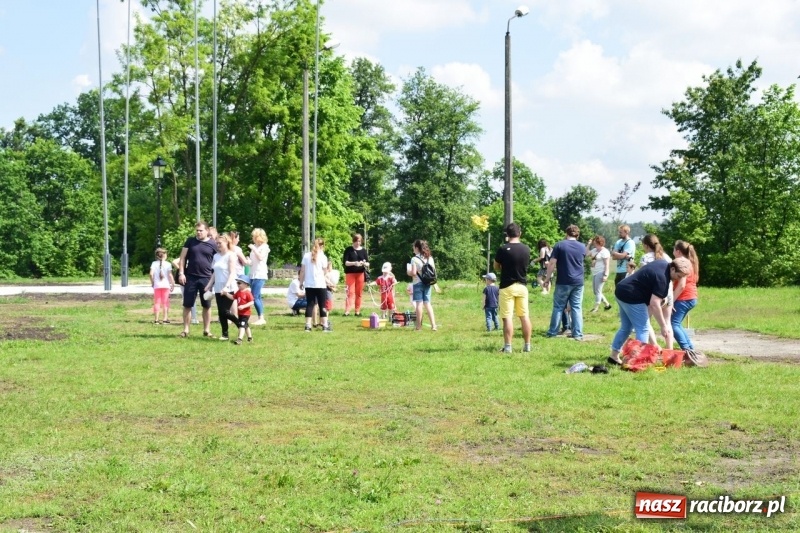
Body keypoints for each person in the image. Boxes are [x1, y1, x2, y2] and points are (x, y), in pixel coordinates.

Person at [607, 257, 693, 365]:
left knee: (626, 327)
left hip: (621, 290)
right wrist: (663, 326)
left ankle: (614, 356)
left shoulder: (663, 263)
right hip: (632, 296)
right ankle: (639, 362)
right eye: (678, 276)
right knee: (643, 329)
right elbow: (654, 304)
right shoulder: (663, 279)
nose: (678, 279)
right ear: (673, 269)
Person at [493, 223, 532, 353]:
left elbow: (496, 266)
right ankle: (527, 345)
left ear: (507, 235)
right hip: (522, 286)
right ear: (519, 233)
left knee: (507, 317)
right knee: (524, 316)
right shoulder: (526, 249)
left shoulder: (503, 249)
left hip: (507, 286)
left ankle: (508, 346)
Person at [544, 225, 586, 341]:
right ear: (577, 234)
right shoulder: (582, 247)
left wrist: (547, 279)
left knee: (558, 306)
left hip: (563, 280)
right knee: (576, 307)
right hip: (578, 281)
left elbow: (552, 263)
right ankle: (577, 334)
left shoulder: (560, 245)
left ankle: (552, 332)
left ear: (566, 233)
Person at [177, 221, 217, 337]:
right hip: (191, 277)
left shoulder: (213, 244)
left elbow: (218, 259)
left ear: (207, 231)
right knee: (187, 305)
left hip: (207, 279)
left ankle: (207, 330)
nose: (198, 232)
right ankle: (185, 330)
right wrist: (181, 273)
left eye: (201, 230)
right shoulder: (190, 241)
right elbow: (182, 258)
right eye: (197, 230)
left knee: (207, 305)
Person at [639, 234, 673, 345]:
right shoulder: (667, 257)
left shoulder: (645, 258)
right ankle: (670, 350)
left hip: (652, 295)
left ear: (645, 245)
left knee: (645, 321)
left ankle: (654, 347)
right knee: (667, 322)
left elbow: (642, 278)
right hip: (668, 293)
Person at [204, 233, 238, 341]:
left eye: (220, 243)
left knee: (225, 311)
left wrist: (226, 287)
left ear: (227, 242)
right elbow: (214, 273)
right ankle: (225, 334)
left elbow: (232, 273)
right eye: (217, 243)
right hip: (218, 287)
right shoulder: (216, 256)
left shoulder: (231, 255)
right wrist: (209, 285)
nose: (218, 245)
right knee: (220, 312)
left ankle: (242, 324)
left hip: (229, 287)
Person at [671, 240, 700, 350]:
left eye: (674, 249)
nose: (673, 251)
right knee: (677, 324)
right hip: (691, 297)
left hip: (684, 298)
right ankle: (690, 349)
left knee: (673, 325)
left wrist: (671, 301)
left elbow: (682, 285)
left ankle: (687, 351)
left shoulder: (680, 262)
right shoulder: (689, 262)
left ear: (678, 251)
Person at [299, 238, 332, 332]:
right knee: (323, 305)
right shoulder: (323, 257)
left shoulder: (306, 256)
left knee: (310, 304)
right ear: (322, 246)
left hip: (309, 284)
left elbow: (302, 271)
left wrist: (301, 282)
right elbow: (325, 271)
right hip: (320, 284)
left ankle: (308, 326)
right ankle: (325, 325)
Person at [408, 239, 438, 331]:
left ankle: (418, 327)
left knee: (419, 304)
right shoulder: (430, 258)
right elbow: (434, 272)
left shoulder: (414, 259)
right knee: (428, 304)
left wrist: (408, 272)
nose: (413, 249)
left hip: (418, 283)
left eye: (413, 247)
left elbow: (413, 273)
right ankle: (433, 325)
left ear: (417, 248)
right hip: (428, 283)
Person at [343, 233, 369, 316]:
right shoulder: (348, 250)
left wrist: (364, 263)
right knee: (350, 292)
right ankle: (347, 311)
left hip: (360, 273)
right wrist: (354, 263)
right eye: (356, 241)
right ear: (353, 241)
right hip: (350, 273)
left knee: (359, 293)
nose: (358, 243)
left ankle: (357, 311)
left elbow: (368, 263)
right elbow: (346, 262)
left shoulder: (363, 250)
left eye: (359, 241)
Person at [248, 228, 270, 325]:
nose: (253, 238)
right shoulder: (256, 247)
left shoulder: (264, 247)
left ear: (258, 237)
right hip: (253, 273)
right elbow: (254, 261)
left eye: (254, 236)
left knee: (254, 296)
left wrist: (254, 249)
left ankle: (261, 318)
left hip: (260, 274)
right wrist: (248, 261)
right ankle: (261, 316)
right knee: (258, 296)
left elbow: (261, 258)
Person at [586, 235, 612, 312]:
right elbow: (586, 253)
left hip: (601, 272)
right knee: (596, 291)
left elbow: (607, 265)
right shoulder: (594, 250)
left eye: (595, 242)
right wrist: (588, 244)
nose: (594, 243)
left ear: (599, 242)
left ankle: (596, 308)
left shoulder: (605, 252)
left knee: (598, 291)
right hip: (594, 272)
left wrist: (606, 275)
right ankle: (607, 305)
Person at [149, 248, 175, 324]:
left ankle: (156, 319)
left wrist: (152, 282)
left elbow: (151, 274)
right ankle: (165, 319)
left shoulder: (154, 263)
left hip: (157, 285)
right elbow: (170, 275)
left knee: (157, 302)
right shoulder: (168, 264)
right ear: (164, 255)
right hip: (166, 285)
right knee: (165, 302)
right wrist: (172, 283)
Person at [228, 274, 254, 345]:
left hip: (246, 313)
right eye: (237, 283)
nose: (237, 284)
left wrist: (244, 306)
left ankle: (240, 339)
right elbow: (233, 297)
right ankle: (250, 338)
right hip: (240, 313)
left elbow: (252, 302)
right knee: (246, 325)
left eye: (239, 283)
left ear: (245, 284)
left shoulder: (247, 293)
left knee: (241, 325)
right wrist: (225, 294)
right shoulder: (238, 292)